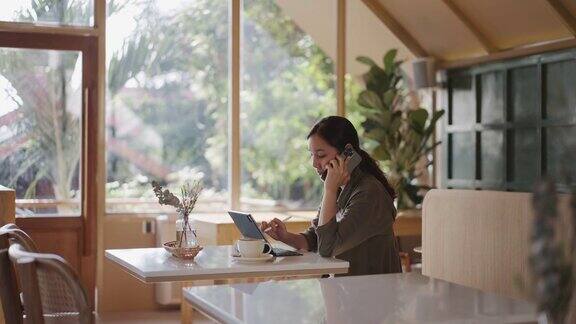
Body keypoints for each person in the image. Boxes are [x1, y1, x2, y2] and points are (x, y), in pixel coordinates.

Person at [261, 116, 402, 276]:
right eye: (312, 155)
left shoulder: (369, 194)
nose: (314, 164)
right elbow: (316, 238)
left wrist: (329, 190)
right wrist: (285, 237)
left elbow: (327, 247)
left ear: (347, 154)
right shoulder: (339, 187)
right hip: (346, 292)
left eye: (320, 155)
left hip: (374, 295)